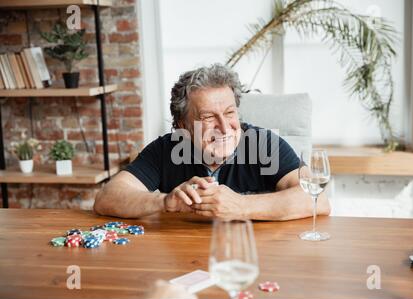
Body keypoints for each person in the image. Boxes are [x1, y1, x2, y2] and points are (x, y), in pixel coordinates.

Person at [94, 64, 331, 220]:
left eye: (229, 113)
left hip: (256, 258)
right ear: (182, 126)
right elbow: (107, 198)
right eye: (208, 117)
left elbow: (318, 199)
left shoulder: (264, 144)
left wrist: (241, 206)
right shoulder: (167, 148)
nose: (225, 127)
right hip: (187, 257)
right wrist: (165, 201)